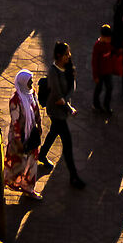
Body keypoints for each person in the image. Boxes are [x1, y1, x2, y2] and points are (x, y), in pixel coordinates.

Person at [37, 42, 86, 189]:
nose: (68, 56)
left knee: (53, 132)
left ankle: (42, 154)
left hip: (63, 109)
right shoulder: (53, 72)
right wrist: (69, 108)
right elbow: (58, 98)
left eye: (68, 53)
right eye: (66, 54)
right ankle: (74, 176)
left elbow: (71, 87)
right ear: (59, 55)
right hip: (56, 112)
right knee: (67, 144)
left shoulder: (67, 68)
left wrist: (67, 103)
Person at [5, 68, 41, 197]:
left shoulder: (32, 93)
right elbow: (15, 122)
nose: (32, 83)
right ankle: (13, 182)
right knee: (17, 162)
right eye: (29, 81)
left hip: (31, 134)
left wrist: (39, 124)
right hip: (19, 138)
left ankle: (28, 187)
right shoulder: (15, 100)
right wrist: (19, 141)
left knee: (32, 162)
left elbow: (36, 110)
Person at [91, 21, 120, 116]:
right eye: (108, 38)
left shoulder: (110, 44)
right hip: (100, 73)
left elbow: (114, 52)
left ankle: (106, 105)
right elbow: (94, 62)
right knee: (98, 89)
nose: (109, 40)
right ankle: (96, 104)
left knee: (110, 88)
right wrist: (95, 76)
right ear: (102, 37)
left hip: (108, 71)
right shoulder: (97, 46)